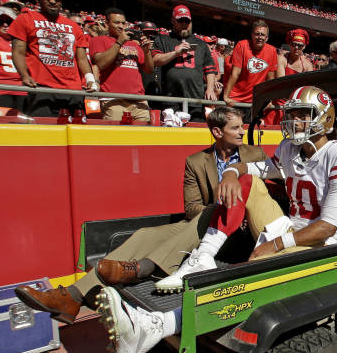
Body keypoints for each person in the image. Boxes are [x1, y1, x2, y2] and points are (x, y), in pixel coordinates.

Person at [95, 86, 337, 353]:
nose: (293, 121)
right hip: (290, 229)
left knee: (252, 272)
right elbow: (260, 170)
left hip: (321, 245)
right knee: (248, 184)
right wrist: (232, 172)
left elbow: (327, 227)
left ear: (324, 118)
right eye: (292, 114)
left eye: (302, 114)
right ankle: (204, 257)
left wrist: (273, 245)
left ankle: (157, 325)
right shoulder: (291, 148)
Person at [15, 106, 267, 324]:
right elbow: (191, 209)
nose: (242, 131)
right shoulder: (196, 161)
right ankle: (71, 297)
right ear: (217, 132)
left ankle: (142, 268)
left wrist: (233, 209)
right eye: (235, 128)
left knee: (213, 210)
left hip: (238, 233)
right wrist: (217, 212)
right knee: (146, 233)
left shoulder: (256, 155)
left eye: (241, 126)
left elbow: (273, 186)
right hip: (201, 228)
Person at [9, 0, 98, 116]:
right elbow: (18, 51)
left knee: (75, 134)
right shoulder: (25, 19)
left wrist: (90, 79)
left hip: (73, 90)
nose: (52, 1)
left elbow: (81, 58)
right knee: (44, 133)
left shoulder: (73, 26)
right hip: (42, 88)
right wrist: (24, 76)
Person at [151, 4, 218, 120]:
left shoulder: (201, 43)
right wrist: (175, 53)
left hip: (195, 98)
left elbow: (209, 69)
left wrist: (210, 88)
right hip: (171, 98)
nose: (184, 24)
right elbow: (156, 60)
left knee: (196, 132)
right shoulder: (163, 39)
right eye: (180, 20)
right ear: (173, 21)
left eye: (187, 21)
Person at [89, 8, 154, 122]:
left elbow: (149, 70)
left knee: (143, 138)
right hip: (113, 100)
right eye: (116, 22)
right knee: (116, 138)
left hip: (139, 101)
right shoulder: (99, 40)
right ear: (106, 23)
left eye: (123, 23)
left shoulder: (134, 45)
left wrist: (147, 51)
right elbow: (101, 63)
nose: (121, 26)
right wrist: (119, 42)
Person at [223, 20, 277, 108]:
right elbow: (235, 73)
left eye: (263, 35)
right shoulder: (241, 45)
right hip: (236, 98)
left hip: (255, 100)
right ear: (251, 35)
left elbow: (270, 78)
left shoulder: (272, 51)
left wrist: (268, 99)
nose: (260, 37)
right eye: (257, 34)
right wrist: (226, 95)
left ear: (267, 38)